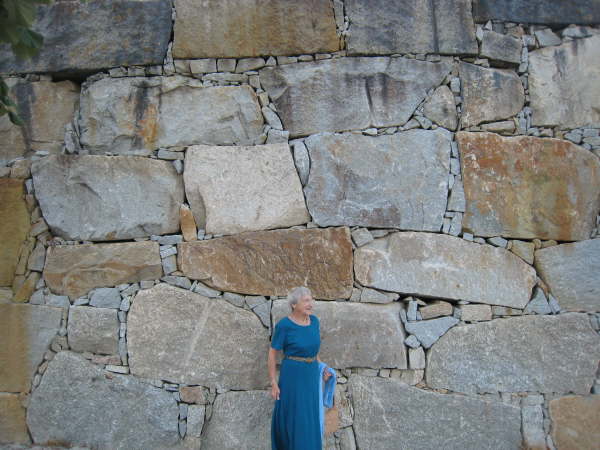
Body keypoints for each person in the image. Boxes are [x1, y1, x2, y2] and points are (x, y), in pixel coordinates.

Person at [268, 286, 332, 450]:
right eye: (306, 301)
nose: (311, 304)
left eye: (311, 300)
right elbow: (273, 353)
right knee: (295, 416)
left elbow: (313, 351)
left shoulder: (314, 321)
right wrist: (273, 382)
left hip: (311, 375)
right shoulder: (284, 326)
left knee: (310, 416)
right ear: (294, 305)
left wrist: (322, 368)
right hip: (292, 376)